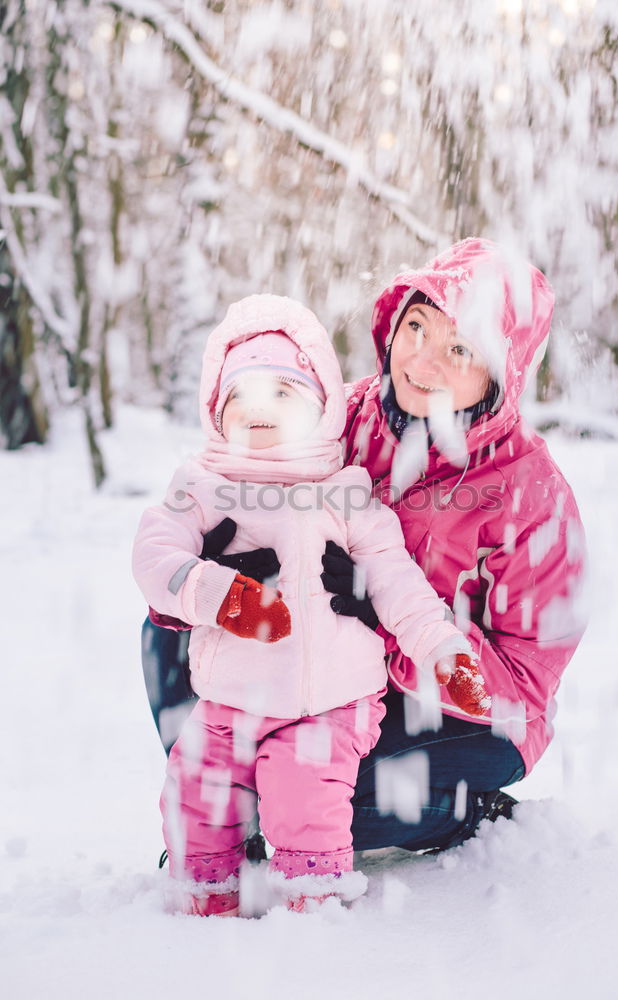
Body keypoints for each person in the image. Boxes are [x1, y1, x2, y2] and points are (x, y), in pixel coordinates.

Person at [140, 237, 587, 860]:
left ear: (500, 371)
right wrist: (212, 570)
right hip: (319, 661)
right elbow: (230, 474)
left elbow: (524, 684)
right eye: (417, 329)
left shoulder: (530, 498)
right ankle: (220, 805)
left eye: (459, 349)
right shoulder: (341, 416)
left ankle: (459, 816)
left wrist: (392, 628)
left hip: (462, 712)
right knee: (166, 634)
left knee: (334, 796)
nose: (422, 362)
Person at [132, 293, 485, 916]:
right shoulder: (202, 488)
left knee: (303, 796)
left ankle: (311, 907)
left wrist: (442, 649)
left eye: (282, 394)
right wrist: (211, 591)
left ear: (322, 410)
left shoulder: (346, 497)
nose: (257, 412)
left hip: (329, 703)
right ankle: (202, 902)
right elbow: (155, 556)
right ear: (216, 412)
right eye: (238, 396)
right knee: (196, 793)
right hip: (227, 700)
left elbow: (399, 585)